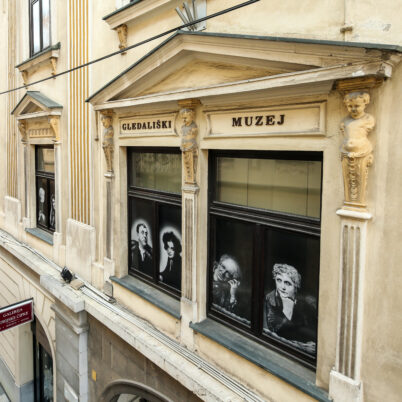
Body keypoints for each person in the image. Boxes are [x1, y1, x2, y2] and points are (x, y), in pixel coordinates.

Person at [265, 263, 317, 348]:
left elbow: (311, 328)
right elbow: (274, 331)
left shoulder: (305, 303)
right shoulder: (270, 300)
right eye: (279, 280)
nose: (282, 287)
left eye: (287, 283)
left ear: (296, 287)